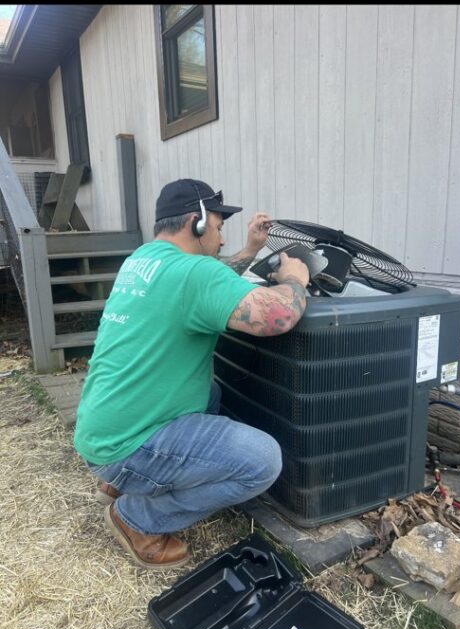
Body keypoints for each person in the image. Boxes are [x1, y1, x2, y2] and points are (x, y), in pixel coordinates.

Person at [73, 179, 310, 569]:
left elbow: (209, 277)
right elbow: (276, 315)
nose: (219, 240)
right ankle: (136, 518)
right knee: (263, 461)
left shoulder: (142, 262)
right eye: (218, 227)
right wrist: (295, 280)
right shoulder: (195, 273)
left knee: (210, 393)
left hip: (101, 432)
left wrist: (251, 250)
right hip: (127, 446)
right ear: (196, 222)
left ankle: (117, 483)